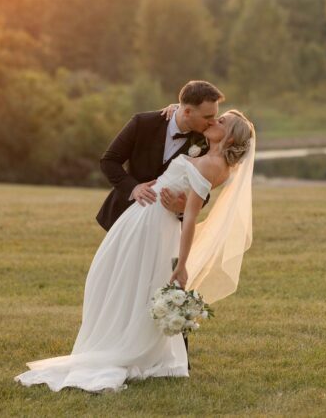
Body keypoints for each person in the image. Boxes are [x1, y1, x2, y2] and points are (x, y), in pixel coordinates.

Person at [15, 109, 256, 392]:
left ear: (230, 137)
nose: (214, 120)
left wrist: (182, 264)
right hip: (143, 218)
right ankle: (114, 338)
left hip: (155, 226)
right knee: (117, 279)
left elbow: (190, 217)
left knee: (134, 282)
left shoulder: (213, 164)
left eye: (221, 121)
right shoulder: (207, 152)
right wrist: (177, 108)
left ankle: (124, 347)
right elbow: (188, 115)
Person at [95, 80, 223, 231]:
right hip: (124, 214)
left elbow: (203, 189)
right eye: (207, 117)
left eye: (214, 116)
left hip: (165, 224)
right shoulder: (143, 123)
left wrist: (184, 206)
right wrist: (134, 188)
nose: (213, 122)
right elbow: (109, 161)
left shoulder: (205, 143)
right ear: (187, 112)